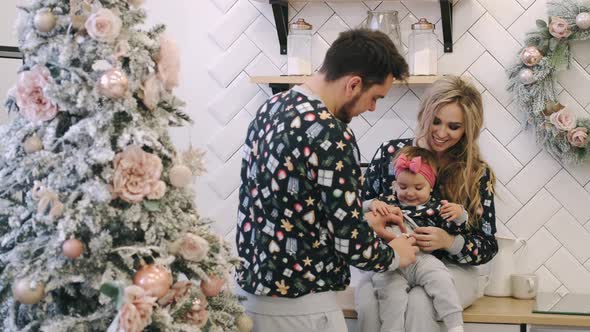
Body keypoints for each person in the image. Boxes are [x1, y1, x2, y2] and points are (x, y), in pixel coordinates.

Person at [234, 29, 419, 332]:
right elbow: (350, 242)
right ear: (354, 84)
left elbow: (285, 206)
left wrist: (363, 217)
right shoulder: (330, 131)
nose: (372, 108)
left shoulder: (271, 108)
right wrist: (395, 255)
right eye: (375, 98)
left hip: (252, 299)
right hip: (302, 307)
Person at [356, 75, 499, 332]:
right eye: (436, 121)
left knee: (421, 302)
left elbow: (487, 246)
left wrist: (449, 241)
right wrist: (379, 227)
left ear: (468, 129)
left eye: (454, 126)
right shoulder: (392, 155)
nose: (441, 133)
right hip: (393, 262)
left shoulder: (475, 173)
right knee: (367, 299)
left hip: (454, 268)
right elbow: (360, 216)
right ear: (425, 114)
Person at [364, 146, 467, 332]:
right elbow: (357, 212)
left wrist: (459, 214)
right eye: (403, 187)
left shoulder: (436, 207)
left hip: (423, 259)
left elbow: (454, 229)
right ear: (395, 185)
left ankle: (455, 325)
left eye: (418, 188)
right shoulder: (386, 201)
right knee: (390, 299)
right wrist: (372, 203)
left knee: (442, 279)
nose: (410, 193)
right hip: (390, 261)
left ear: (431, 186)